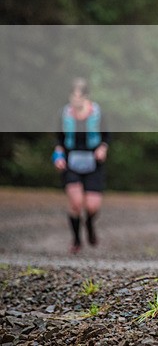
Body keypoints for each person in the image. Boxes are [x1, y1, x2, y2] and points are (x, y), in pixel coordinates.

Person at [51, 77, 110, 254]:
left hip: (93, 162)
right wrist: (58, 157)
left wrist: (103, 148)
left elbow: (106, 137)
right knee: (76, 203)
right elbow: (58, 141)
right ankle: (76, 239)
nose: (76, 100)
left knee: (92, 206)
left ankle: (89, 224)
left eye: (79, 97)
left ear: (86, 97)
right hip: (71, 161)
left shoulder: (98, 114)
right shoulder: (64, 114)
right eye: (73, 96)